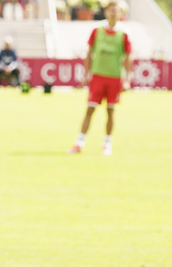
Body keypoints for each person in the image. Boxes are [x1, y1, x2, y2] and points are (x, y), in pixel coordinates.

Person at [69, 0, 131, 156]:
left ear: (120, 14)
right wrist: (86, 74)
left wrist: (127, 79)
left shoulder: (124, 34)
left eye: (116, 10)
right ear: (106, 12)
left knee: (111, 111)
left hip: (114, 77)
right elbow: (89, 53)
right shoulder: (97, 31)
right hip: (98, 76)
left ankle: (107, 144)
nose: (113, 13)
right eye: (111, 10)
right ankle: (79, 143)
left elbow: (128, 57)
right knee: (90, 109)